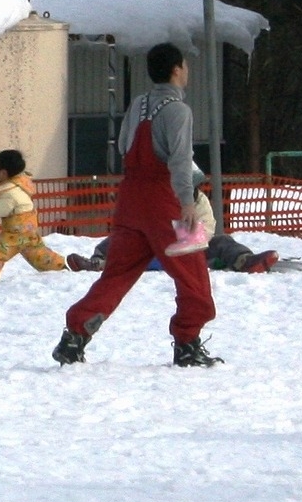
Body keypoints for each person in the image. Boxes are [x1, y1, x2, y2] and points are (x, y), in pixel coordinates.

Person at [53, 42, 222, 367]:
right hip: (166, 202)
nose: (187, 71)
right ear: (176, 70)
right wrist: (187, 202)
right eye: (185, 65)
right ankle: (187, 342)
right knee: (193, 274)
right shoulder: (178, 111)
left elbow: (125, 148)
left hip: (130, 200)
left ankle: (75, 336)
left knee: (117, 274)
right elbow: (180, 160)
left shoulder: (139, 104)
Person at [66, 167, 280, 274]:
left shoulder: (200, 204)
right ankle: (97, 262)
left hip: (189, 254)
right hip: (152, 249)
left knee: (223, 242)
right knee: (117, 240)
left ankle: (244, 261)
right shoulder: (156, 199)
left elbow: (203, 236)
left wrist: (175, 230)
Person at [0, 148, 67, 285]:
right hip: (29, 228)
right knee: (37, 252)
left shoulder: (10, 193)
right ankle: (60, 266)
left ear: (3, 173)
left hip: (17, 230)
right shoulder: (12, 182)